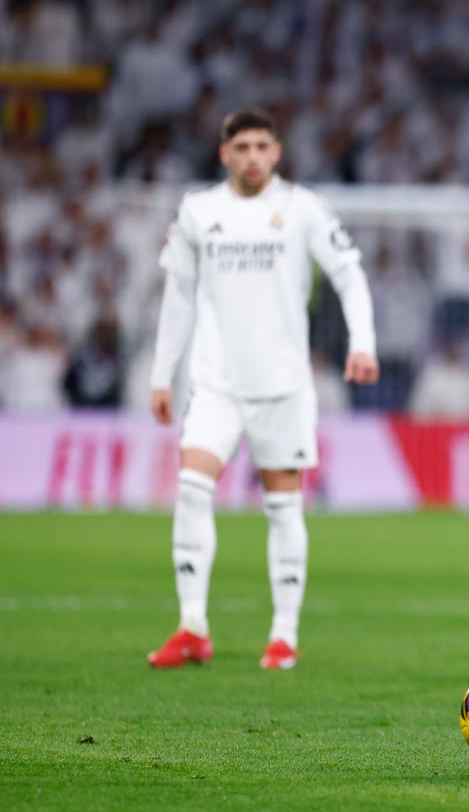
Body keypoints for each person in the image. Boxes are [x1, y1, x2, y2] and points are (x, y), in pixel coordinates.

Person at [146, 108, 378, 671]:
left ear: (276, 153)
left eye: (261, 146)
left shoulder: (301, 208)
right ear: (224, 154)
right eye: (241, 147)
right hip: (215, 382)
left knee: (282, 505)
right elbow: (178, 295)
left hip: (282, 385)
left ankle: (283, 635)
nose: (251, 156)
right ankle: (192, 626)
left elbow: (349, 273)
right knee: (193, 488)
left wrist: (362, 342)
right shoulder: (199, 211)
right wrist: (161, 373)